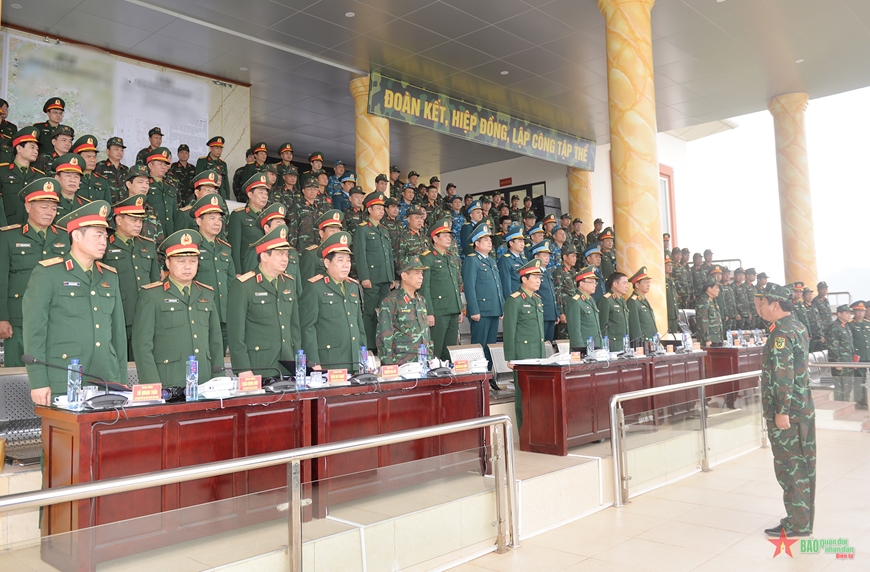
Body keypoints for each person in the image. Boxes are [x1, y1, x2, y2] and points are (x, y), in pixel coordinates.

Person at [23, 201, 127, 403]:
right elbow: (34, 332)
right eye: (98, 235)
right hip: (63, 378)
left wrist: (120, 381)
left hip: (105, 377)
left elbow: (118, 335)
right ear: (77, 236)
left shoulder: (109, 276)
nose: (104, 242)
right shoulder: (48, 273)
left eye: (105, 237)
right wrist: (38, 382)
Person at [756, 283, 815, 538]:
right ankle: (801, 520)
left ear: (775, 304)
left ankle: (798, 524)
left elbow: (783, 374)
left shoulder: (781, 334)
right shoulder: (797, 326)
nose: (760, 308)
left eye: (762, 303)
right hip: (801, 408)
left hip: (789, 412)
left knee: (791, 468)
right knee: (802, 466)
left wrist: (782, 411)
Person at [132, 230, 223, 386]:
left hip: (204, 380)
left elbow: (215, 340)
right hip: (169, 381)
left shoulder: (207, 293)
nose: (188, 266)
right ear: (168, 263)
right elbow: (142, 346)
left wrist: (218, 377)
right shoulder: (151, 295)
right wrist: (151, 384)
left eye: (193, 261)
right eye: (181, 261)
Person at [0, 178, 70, 367]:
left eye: (53, 208)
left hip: (57, 316)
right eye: (44, 207)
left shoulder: (65, 236)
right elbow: (1, 279)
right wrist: (2, 317)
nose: (50, 212)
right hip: (19, 318)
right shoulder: (8, 236)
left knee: (54, 368)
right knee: (17, 372)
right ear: (28, 206)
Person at [227, 224, 300, 377]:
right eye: (280, 254)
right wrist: (243, 368)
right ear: (264, 256)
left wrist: (298, 361)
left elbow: (294, 328)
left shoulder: (288, 282)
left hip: (287, 364)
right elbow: (236, 333)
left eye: (286, 254)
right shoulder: (244, 285)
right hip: (259, 366)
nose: (285, 259)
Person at [299, 231, 365, 373]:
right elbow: (307, 327)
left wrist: (363, 354)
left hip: (354, 360)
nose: (346, 265)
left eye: (348, 260)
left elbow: (359, 324)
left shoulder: (353, 286)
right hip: (329, 361)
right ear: (327, 263)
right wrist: (313, 361)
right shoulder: (315, 287)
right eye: (340, 260)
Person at [103, 194, 159, 359]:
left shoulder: (148, 245)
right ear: (119, 220)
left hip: (145, 316)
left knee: (143, 360)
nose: (138, 224)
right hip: (118, 314)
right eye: (134, 220)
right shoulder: (106, 245)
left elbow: (155, 282)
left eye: (140, 221)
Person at [503, 259, 546, 427]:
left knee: (538, 396)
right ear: (524, 279)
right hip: (523, 355)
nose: (538, 281)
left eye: (539, 278)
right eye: (535, 277)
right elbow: (509, 330)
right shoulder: (514, 300)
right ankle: (524, 432)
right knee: (524, 397)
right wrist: (511, 357)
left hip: (538, 354)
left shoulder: (537, 300)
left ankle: (537, 431)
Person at [191, 194, 235, 352]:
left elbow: (231, 282)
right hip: (200, 313)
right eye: (212, 218)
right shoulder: (191, 247)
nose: (217, 223)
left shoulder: (225, 248)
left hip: (223, 314)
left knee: (220, 358)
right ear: (198, 221)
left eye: (219, 219)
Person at [353, 191, 395, 351]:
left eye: (382, 208)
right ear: (369, 210)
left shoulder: (384, 230)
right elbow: (360, 254)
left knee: (384, 313)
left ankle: (382, 344)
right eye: (378, 208)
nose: (381, 211)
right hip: (371, 278)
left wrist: (391, 276)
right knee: (370, 313)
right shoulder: (362, 229)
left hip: (385, 277)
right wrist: (364, 277)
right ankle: (368, 346)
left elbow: (389, 255)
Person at [461, 221, 504, 370]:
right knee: (479, 346)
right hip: (481, 310)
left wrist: (501, 307)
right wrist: (474, 310)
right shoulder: (472, 260)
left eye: (490, 239)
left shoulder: (491, 261)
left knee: (490, 346)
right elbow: (469, 286)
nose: (490, 242)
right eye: (485, 240)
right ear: (477, 243)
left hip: (493, 309)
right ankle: (478, 375)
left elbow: (498, 286)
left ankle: (489, 376)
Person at [376, 256, 434, 365]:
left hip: (423, 362)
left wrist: (430, 356)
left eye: (422, 273)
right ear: (404, 276)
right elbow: (384, 336)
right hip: (402, 363)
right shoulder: (391, 301)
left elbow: (426, 333)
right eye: (417, 273)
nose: (421, 277)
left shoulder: (421, 300)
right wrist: (388, 364)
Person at [420, 218, 462, 362]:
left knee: (450, 350)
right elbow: (425, 287)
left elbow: (455, 285)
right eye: (444, 236)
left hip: (452, 309)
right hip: (438, 311)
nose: (448, 238)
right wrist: (429, 312)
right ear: (435, 238)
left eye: (449, 236)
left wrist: (459, 308)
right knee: (436, 348)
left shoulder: (451, 258)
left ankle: (447, 373)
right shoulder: (428, 258)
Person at [1, 127, 45, 226]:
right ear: (19, 148)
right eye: (32, 147)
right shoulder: (2, 172)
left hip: (31, 227)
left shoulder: (40, 176)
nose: (36, 152)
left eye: (37, 149)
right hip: (7, 226)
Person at [228, 173, 270, 272]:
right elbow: (235, 247)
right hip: (248, 267)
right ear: (250, 194)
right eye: (260, 193)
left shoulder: (269, 217)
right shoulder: (238, 215)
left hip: (267, 267)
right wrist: (237, 271)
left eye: (266, 193)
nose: (264, 196)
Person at [300, 209, 343, 283]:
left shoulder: (342, 253)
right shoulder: (312, 254)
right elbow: (306, 284)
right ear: (321, 234)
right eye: (332, 231)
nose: (336, 234)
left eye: (338, 231)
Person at [143, 147, 178, 237]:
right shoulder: (144, 185)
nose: (164, 167)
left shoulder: (170, 187)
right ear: (150, 165)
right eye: (160, 164)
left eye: (165, 164)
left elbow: (175, 214)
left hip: (169, 235)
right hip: (151, 234)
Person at [566, 266, 603, 349]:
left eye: (595, 283)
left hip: (595, 345)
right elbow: (575, 330)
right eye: (591, 282)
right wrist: (580, 349)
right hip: (584, 348)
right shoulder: (575, 301)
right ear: (582, 284)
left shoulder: (590, 300)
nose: (595, 285)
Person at [531, 240, 560, 342]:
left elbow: (552, 295)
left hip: (550, 314)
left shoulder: (547, 273)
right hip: (541, 314)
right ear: (536, 257)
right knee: (540, 342)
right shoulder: (534, 273)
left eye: (548, 256)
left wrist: (556, 313)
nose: (547, 258)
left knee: (549, 343)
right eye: (544, 255)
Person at [826, 304, 856, 402]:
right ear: (839, 314)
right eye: (846, 313)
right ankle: (840, 405)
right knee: (840, 387)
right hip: (840, 362)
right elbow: (833, 347)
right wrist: (837, 362)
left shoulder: (846, 326)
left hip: (848, 361)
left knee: (848, 386)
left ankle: (846, 405)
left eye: (850, 313)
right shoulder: (834, 327)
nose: (849, 315)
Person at [598, 271, 630, 351]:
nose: (627, 286)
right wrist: (604, 346)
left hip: (624, 344)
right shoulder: (606, 300)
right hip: (612, 345)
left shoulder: (622, 300)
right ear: (615, 284)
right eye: (624, 283)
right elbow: (603, 325)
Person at [627, 267, 658, 344]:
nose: (648, 285)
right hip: (642, 342)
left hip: (651, 341)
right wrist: (639, 343)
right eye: (645, 282)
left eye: (648, 282)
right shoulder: (633, 301)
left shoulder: (643, 300)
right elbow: (635, 326)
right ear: (637, 285)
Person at [93, 136, 129, 203]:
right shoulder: (99, 167)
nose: (120, 152)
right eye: (116, 149)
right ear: (108, 151)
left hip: (123, 207)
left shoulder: (126, 170)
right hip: (106, 205)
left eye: (122, 150)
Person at [848, 301, 869, 409]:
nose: (861, 313)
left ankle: (867, 401)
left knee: (868, 381)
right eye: (858, 311)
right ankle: (860, 401)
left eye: (862, 311)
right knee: (859, 380)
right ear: (854, 312)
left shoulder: (867, 323)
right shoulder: (850, 324)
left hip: (868, 356)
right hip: (858, 357)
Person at [395, 206, 428, 273]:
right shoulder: (403, 237)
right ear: (409, 220)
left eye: (421, 218)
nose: (420, 220)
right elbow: (399, 262)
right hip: (413, 273)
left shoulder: (424, 235)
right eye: (416, 218)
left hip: (427, 272)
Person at [497, 225, 526, 295]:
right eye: (519, 241)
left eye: (523, 241)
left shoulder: (524, 259)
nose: (522, 244)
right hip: (515, 298)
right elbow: (505, 285)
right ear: (511, 243)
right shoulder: (505, 260)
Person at [695, 277, 724, 347]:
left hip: (716, 338)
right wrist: (707, 339)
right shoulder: (703, 301)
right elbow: (702, 321)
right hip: (709, 340)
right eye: (716, 288)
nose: (718, 290)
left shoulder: (713, 300)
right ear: (709, 289)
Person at [801, 286, 825, 352]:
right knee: (810, 353)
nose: (810, 296)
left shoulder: (814, 307)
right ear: (803, 296)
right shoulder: (802, 308)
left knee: (819, 354)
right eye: (808, 294)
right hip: (810, 336)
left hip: (818, 335)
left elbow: (819, 321)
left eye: (811, 294)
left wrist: (822, 334)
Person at [664, 256, 680, 333]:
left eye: (671, 265)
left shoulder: (671, 280)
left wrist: (677, 313)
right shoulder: (662, 280)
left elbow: (674, 299)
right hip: (667, 313)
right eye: (668, 265)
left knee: (674, 334)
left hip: (673, 314)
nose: (670, 267)